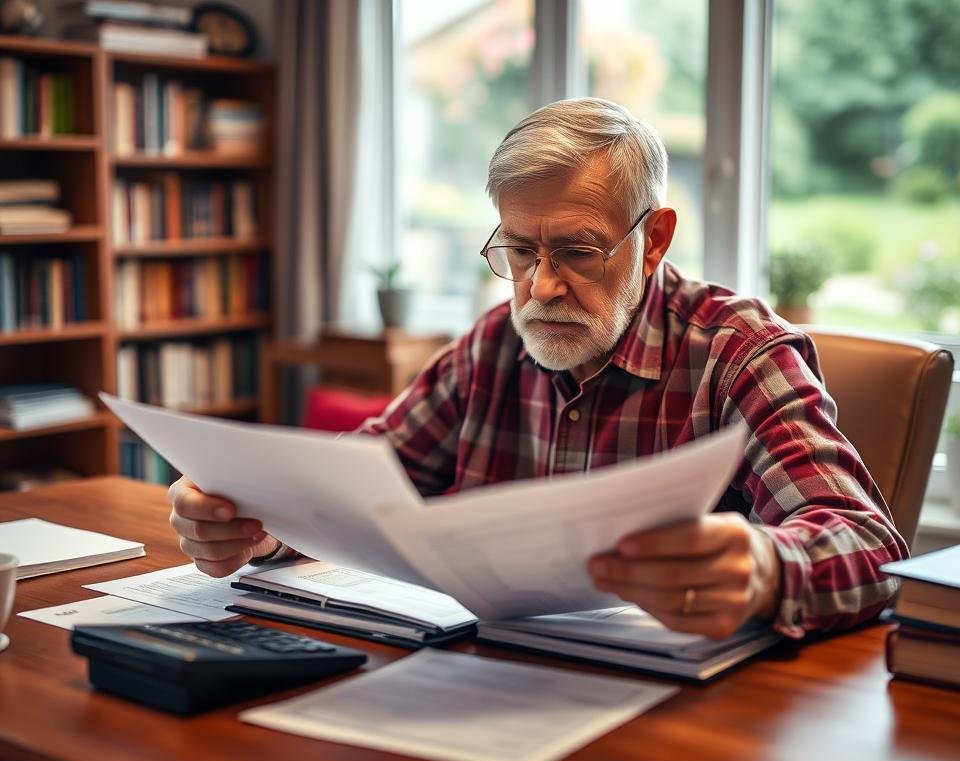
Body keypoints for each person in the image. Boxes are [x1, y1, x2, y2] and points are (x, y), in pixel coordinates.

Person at [168, 98, 908, 641]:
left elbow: (869, 543)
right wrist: (258, 525)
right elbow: (349, 489)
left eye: (579, 252)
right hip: (480, 690)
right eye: (520, 252)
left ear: (654, 241)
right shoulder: (492, 345)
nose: (542, 287)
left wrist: (766, 567)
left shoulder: (737, 351)